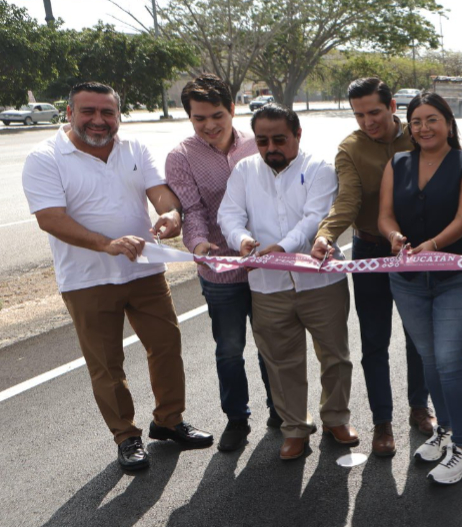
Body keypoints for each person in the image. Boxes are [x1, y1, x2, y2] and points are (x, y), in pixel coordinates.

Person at [22, 82, 213, 470]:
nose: (98, 120)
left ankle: (169, 421)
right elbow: (50, 218)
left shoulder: (134, 148)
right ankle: (126, 436)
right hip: (86, 279)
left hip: (144, 269)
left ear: (118, 116)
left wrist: (170, 214)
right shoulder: (44, 157)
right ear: (69, 114)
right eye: (88, 111)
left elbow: (159, 192)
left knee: (166, 345)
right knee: (107, 364)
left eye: (107, 112)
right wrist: (104, 244)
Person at [218, 104, 356, 461]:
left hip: (321, 282)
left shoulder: (319, 168)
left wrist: (282, 248)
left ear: (297, 134)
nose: (270, 148)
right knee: (280, 361)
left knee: (335, 356)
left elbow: (314, 219)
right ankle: (294, 428)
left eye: (279, 139)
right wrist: (241, 240)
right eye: (262, 140)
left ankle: (336, 418)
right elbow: (229, 215)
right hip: (268, 286)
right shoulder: (244, 171)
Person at [311, 77, 431, 456]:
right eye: (359, 115)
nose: (368, 122)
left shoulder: (417, 136)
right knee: (374, 342)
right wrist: (327, 235)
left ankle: (419, 407)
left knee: (418, 338)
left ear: (393, 105)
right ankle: (383, 421)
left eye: (375, 112)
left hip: (415, 252)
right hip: (370, 251)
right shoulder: (349, 149)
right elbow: (347, 200)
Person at [378, 92, 462, 484]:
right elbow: (385, 214)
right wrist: (393, 236)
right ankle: (445, 432)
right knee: (429, 359)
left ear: (449, 123)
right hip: (408, 282)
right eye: (416, 121)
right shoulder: (398, 163)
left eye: (432, 119)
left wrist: (433, 245)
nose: (423, 128)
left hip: (456, 277)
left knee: (449, 361)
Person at [166, 75, 277, 451]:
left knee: (272, 345)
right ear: (190, 118)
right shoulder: (181, 157)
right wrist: (198, 243)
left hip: (265, 264)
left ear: (233, 109)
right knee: (229, 349)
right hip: (219, 270)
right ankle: (237, 418)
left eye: (217, 115)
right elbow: (192, 209)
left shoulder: (259, 144)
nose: (210, 125)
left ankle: (281, 413)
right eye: (199, 119)